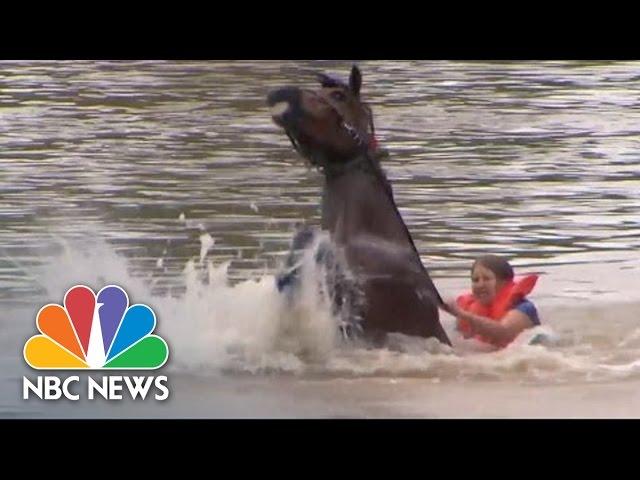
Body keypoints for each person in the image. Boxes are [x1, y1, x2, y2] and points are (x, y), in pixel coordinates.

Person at [440, 255, 540, 348]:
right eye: (475, 280)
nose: (480, 285)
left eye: (486, 279)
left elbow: (503, 333)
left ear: (504, 282)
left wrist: (461, 314)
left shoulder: (523, 307)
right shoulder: (469, 308)